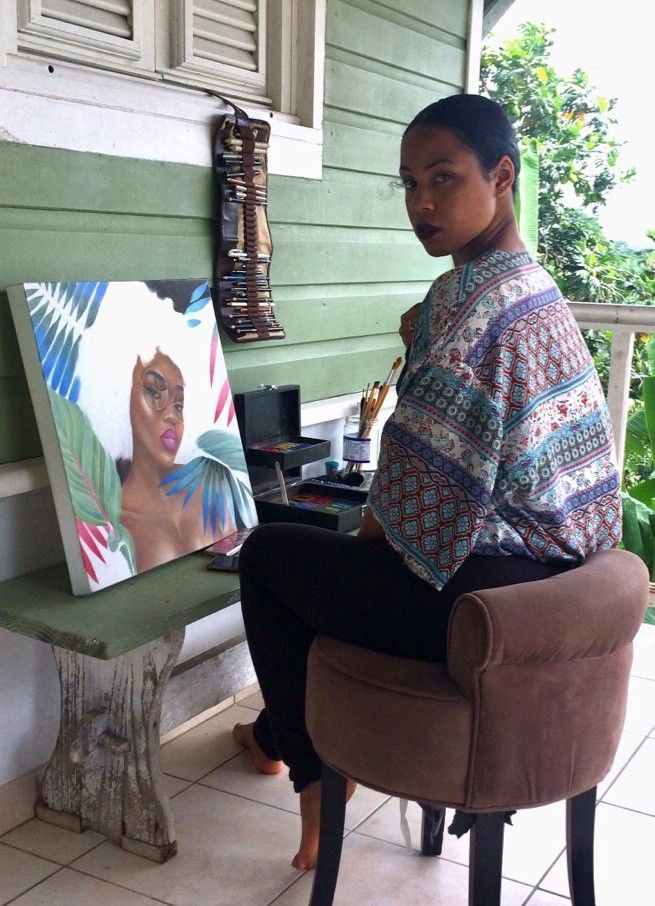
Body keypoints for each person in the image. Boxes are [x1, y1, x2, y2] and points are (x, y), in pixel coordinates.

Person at [232, 94, 622, 870]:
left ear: (500, 177)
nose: (421, 203)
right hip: (552, 596)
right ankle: (272, 735)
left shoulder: (461, 300)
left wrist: (363, 538)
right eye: (409, 183)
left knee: (270, 558)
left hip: (476, 605)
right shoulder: (534, 289)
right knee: (328, 579)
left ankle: (316, 782)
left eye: (443, 178)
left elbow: (399, 509)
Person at [120, 348, 229, 571]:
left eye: (178, 405)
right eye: (154, 393)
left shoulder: (206, 486)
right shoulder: (113, 520)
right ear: (129, 400)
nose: (172, 415)